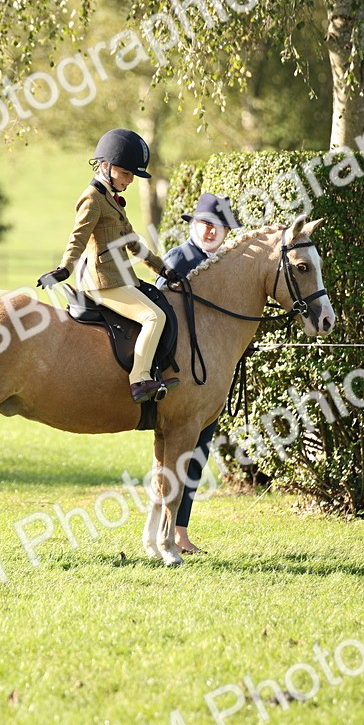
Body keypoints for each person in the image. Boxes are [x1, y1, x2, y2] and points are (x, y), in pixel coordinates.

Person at [38, 129, 183, 403]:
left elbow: (133, 241)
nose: (129, 181)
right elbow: (77, 239)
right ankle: (140, 381)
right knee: (154, 317)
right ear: (106, 166)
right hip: (101, 282)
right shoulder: (92, 199)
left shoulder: (111, 200)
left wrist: (160, 268)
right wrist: (64, 269)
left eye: (131, 175)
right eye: (126, 174)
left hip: (119, 277)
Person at [156, 192, 241, 553]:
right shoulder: (178, 259)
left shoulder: (225, 266)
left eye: (218, 227)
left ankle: (180, 529)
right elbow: (160, 307)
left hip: (208, 374)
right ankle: (171, 530)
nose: (210, 232)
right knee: (184, 448)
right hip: (181, 374)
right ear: (194, 225)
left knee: (199, 451)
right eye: (205, 224)